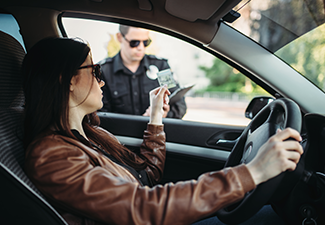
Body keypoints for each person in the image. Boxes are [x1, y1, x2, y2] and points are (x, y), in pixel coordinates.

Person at [23, 37, 303, 225]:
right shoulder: (51, 155)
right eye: (94, 70)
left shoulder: (92, 134)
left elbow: (146, 176)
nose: (102, 81)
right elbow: (142, 206)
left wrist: (156, 115)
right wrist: (253, 172)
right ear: (66, 80)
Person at [99, 25, 187, 119]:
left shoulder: (161, 67)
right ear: (120, 37)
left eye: (145, 42)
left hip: (156, 132)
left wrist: (163, 115)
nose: (141, 47)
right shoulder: (104, 71)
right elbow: (101, 114)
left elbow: (180, 105)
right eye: (134, 43)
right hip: (119, 133)